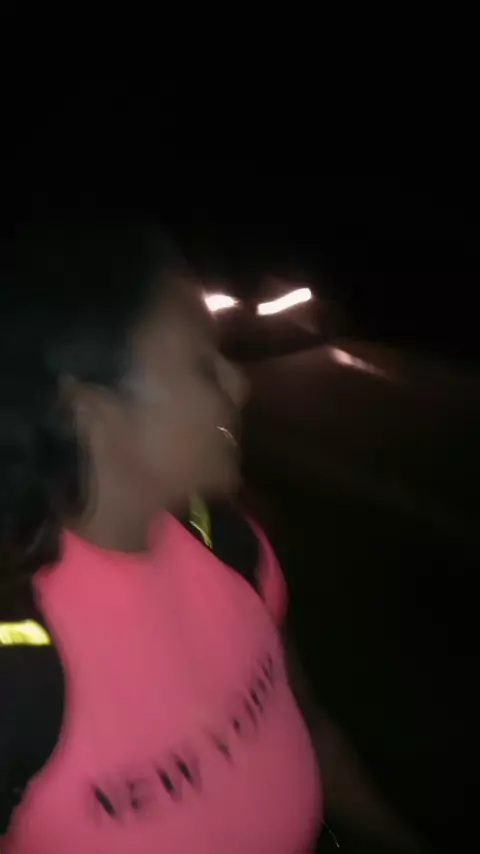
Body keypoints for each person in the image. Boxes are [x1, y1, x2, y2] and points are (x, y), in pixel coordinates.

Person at [0, 212, 424, 854]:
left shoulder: (226, 540)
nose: (239, 384)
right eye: (203, 365)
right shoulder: (19, 664)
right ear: (91, 414)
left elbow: (309, 727)